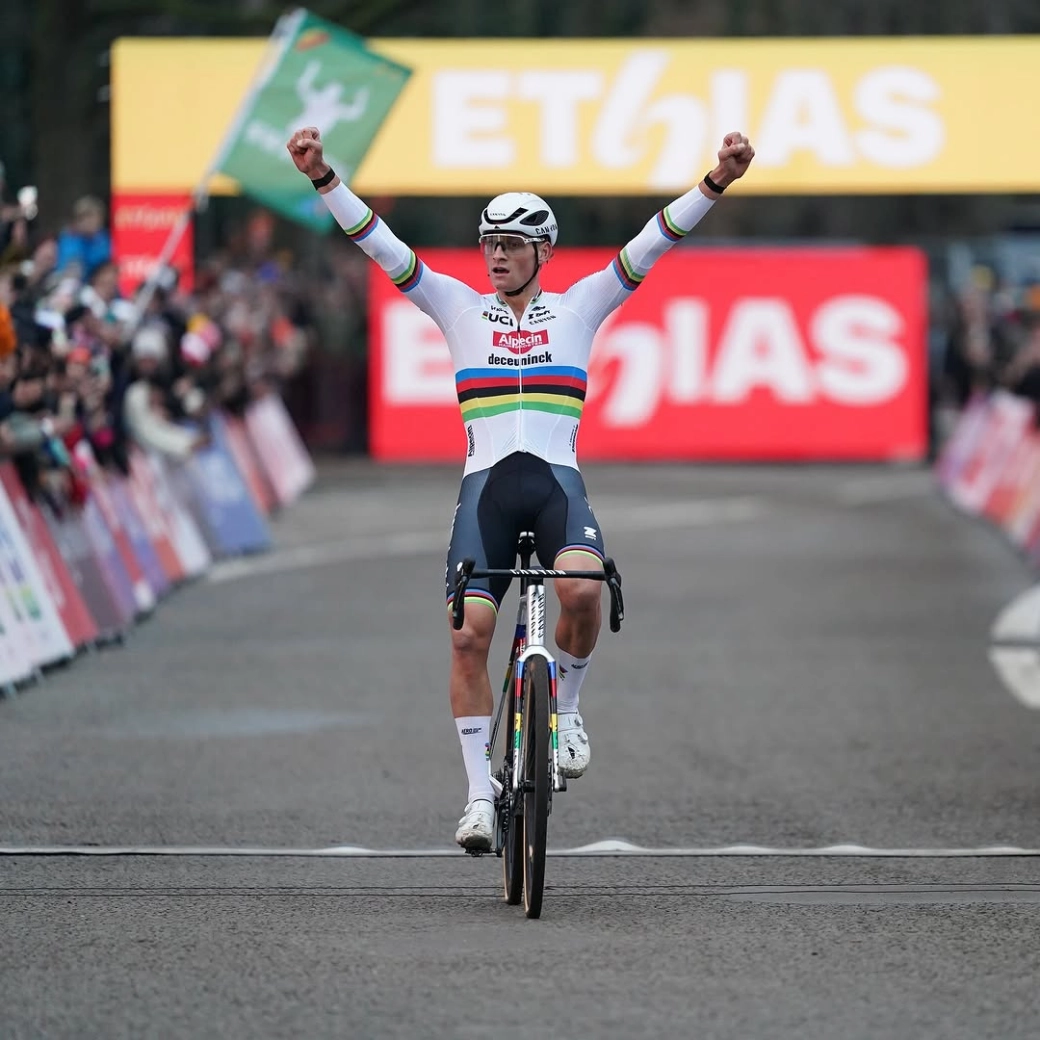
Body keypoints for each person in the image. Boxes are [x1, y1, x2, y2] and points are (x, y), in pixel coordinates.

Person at [287, 125, 755, 852]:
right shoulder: (456, 309)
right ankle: (479, 797)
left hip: (556, 487)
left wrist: (716, 179)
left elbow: (654, 241)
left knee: (583, 589)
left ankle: (566, 710)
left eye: (511, 244)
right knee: (468, 635)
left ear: (543, 252)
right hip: (486, 497)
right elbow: (380, 245)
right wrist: (323, 178)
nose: (497, 256)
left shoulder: (580, 307)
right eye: (489, 244)